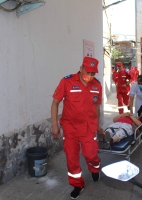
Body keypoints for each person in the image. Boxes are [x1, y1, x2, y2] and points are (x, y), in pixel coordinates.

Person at [51, 56, 104, 199]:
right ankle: (77, 184)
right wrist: (55, 125)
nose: (90, 76)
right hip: (70, 127)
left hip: (88, 127)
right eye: (88, 72)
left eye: (93, 73)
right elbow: (55, 103)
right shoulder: (67, 81)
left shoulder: (97, 85)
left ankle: (95, 167)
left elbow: (96, 107)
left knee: (91, 154)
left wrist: (97, 124)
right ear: (81, 69)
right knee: (72, 158)